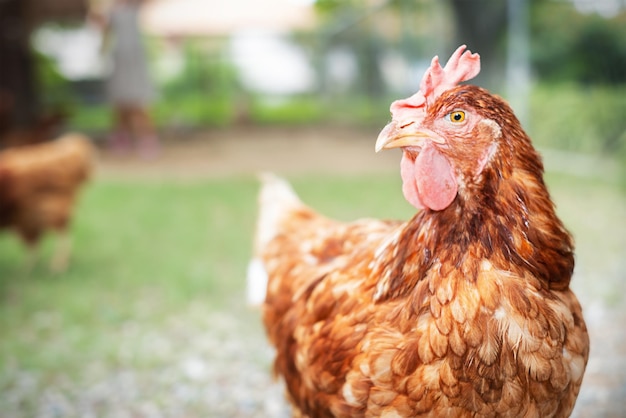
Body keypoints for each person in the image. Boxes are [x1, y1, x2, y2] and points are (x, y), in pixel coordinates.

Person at [98, 0, 159, 158]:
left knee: (140, 104)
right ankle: (122, 140)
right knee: (121, 105)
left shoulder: (137, 7)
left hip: (136, 57)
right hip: (120, 57)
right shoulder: (112, 10)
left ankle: (146, 140)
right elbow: (105, 31)